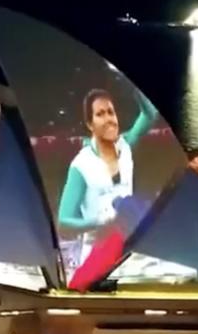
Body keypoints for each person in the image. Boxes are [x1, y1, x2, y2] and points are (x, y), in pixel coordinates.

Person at [57, 87, 158, 277]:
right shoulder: (81, 166)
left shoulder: (126, 145)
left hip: (127, 255)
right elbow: (64, 221)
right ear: (90, 124)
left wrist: (132, 83)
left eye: (111, 112)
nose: (109, 119)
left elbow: (150, 114)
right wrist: (99, 223)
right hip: (95, 257)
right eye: (100, 114)